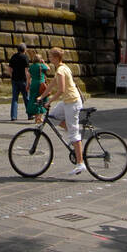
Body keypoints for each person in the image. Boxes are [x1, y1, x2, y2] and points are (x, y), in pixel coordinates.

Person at [41, 46, 86, 178]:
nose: (49, 58)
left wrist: (49, 101)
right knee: (53, 117)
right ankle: (74, 140)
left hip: (72, 102)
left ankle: (80, 163)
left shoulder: (61, 70)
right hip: (67, 102)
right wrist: (42, 97)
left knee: (73, 133)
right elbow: (51, 84)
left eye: (50, 56)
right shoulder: (62, 68)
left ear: (55, 58)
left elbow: (60, 89)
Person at [6, 43, 30, 120]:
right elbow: (26, 71)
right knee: (26, 97)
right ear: (25, 49)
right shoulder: (25, 57)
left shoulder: (14, 56)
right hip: (23, 80)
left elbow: (9, 68)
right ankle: (30, 114)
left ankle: (13, 116)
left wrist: (11, 76)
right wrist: (28, 80)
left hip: (15, 80)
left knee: (14, 99)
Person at [26, 50, 49, 119]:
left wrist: (28, 85)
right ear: (40, 59)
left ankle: (36, 116)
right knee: (42, 99)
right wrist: (44, 62)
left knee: (33, 99)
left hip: (33, 84)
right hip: (41, 84)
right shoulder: (41, 65)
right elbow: (48, 68)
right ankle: (39, 117)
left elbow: (28, 76)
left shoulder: (31, 67)